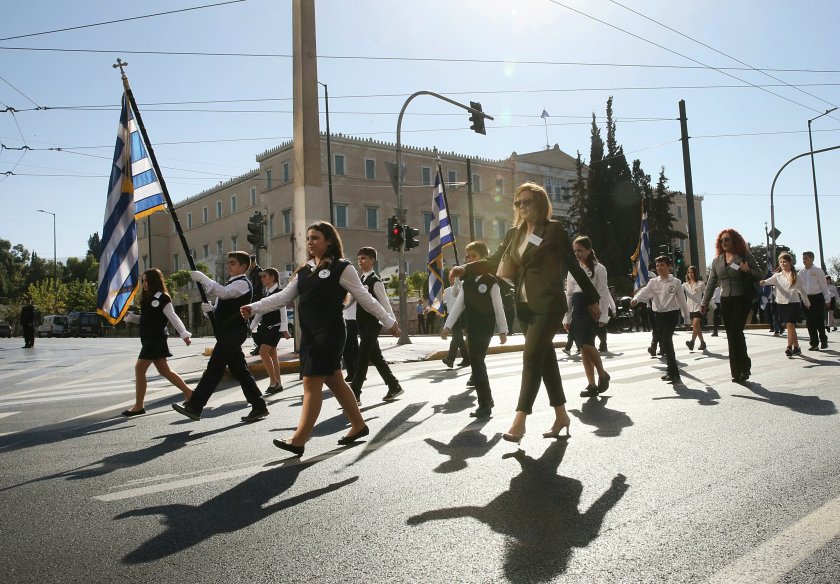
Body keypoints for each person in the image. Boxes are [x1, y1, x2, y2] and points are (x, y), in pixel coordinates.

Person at [450, 182, 600, 443]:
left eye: (526, 202)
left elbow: (573, 266)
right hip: (525, 308)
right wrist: (466, 269)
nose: (521, 207)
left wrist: (592, 298)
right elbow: (495, 260)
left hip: (548, 305)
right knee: (546, 362)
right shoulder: (514, 233)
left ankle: (519, 421)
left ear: (540, 203)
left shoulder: (554, 230)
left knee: (530, 359)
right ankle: (561, 415)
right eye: (518, 203)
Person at [241, 222, 401, 457]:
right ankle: (358, 425)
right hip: (310, 334)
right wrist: (254, 307)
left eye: (315, 238)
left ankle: (299, 439)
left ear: (329, 240)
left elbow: (365, 298)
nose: (310, 242)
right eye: (308, 238)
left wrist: (389, 322)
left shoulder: (342, 268)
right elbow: (283, 297)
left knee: (311, 383)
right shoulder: (304, 270)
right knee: (336, 381)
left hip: (330, 334)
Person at [172, 251, 269, 423]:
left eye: (232, 263)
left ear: (243, 267)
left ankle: (195, 406)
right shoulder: (232, 284)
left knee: (215, 367)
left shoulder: (243, 284)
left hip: (234, 332)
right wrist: (211, 311)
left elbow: (224, 293)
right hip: (228, 332)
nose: (229, 266)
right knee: (240, 370)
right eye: (229, 263)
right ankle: (259, 405)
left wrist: (203, 278)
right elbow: (222, 307)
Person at [442, 241, 508, 418]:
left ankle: (485, 404)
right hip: (471, 328)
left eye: (474, 257)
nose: (469, 260)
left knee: (477, 362)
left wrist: (503, 330)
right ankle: (487, 400)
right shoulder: (467, 282)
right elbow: (458, 305)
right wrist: (447, 326)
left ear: (483, 259)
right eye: (467, 256)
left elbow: (498, 306)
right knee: (477, 362)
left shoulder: (490, 281)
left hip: (485, 327)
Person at [122, 268, 193, 416]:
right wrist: (132, 317)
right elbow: (146, 319)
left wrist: (184, 334)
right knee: (164, 371)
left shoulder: (162, 298)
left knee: (139, 369)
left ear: (154, 281)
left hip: (156, 338)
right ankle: (189, 393)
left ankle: (139, 406)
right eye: (143, 281)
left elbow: (173, 317)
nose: (144, 284)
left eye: (147, 281)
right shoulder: (147, 298)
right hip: (148, 337)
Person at [700, 229, 762, 383]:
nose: (724, 243)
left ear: (734, 240)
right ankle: (736, 371)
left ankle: (745, 367)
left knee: (736, 331)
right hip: (726, 300)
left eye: (727, 240)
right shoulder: (717, 261)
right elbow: (711, 283)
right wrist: (704, 302)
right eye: (721, 241)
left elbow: (760, 274)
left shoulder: (743, 256)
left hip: (742, 298)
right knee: (730, 335)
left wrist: (747, 270)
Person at [348, 247, 404, 405]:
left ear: (373, 261)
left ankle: (355, 394)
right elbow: (350, 301)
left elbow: (385, 303)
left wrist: (393, 324)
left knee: (362, 358)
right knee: (376, 358)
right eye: (359, 258)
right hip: (362, 324)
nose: (361, 261)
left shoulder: (375, 280)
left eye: (364, 258)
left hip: (372, 325)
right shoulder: (361, 279)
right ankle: (394, 386)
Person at [562, 236, 611, 398]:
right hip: (577, 308)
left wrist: (604, 315)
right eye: (575, 251)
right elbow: (569, 294)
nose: (577, 254)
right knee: (583, 349)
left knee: (587, 344)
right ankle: (591, 384)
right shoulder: (573, 269)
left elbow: (604, 292)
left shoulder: (599, 269)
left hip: (591, 308)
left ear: (589, 251)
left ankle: (602, 373)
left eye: (580, 250)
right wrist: (567, 317)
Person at [631, 255, 689, 383]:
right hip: (658, 316)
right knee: (664, 342)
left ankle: (674, 373)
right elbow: (645, 292)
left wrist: (687, 319)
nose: (659, 268)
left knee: (667, 341)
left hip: (671, 314)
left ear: (669, 267)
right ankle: (671, 371)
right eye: (657, 265)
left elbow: (682, 301)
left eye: (662, 265)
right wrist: (636, 299)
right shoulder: (653, 282)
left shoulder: (676, 282)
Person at [249, 267, 291, 395]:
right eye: (261, 276)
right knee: (272, 355)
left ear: (273, 277)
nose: (262, 279)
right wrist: (251, 327)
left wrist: (285, 330)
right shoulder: (265, 293)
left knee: (263, 352)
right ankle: (278, 382)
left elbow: (283, 312)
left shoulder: (280, 292)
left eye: (264, 276)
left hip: (275, 327)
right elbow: (261, 311)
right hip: (266, 328)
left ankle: (273, 382)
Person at [760, 252, 809, 356]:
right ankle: (796, 347)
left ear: (790, 262)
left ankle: (789, 347)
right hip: (781, 304)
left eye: (785, 262)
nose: (782, 264)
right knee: (790, 326)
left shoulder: (796, 275)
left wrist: (806, 302)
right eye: (781, 262)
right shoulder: (777, 276)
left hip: (793, 303)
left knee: (790, 324)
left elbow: (803, 291)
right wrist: (762, 282)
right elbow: (767, 281)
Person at [798, 251, 830, 350]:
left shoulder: (818, 271)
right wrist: (805, 300)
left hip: (817, 298)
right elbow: (800, 288)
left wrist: (827, 299)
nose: (804, 260)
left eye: (806, 258)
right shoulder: (801, 272)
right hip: (806, 298)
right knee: (810, 322)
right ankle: (814, 343)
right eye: (803, 258)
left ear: (812, 258)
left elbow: (824, 286)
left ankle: (823, 340)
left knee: (819, 320)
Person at [441, 279, 470, 368]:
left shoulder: (462, 286)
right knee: (459, 339)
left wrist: (458, 281)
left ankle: (450, 359)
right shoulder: (447, 290)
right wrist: (428, 308)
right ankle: (466, 359)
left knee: (456, 337)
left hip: (460, 316)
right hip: (451, 316)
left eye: (454, 277)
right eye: (450, 278)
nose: (451, 280)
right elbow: (438, 301)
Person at [682, 265, 707, 351]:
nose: (690, 274)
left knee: (695, 325)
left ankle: (692, 342)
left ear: (695, 273)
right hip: (689, 308)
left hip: (698, 308)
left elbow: (707, 294)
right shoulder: (685, 285)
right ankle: (702, 343)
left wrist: (706, 305)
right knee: (697, 327)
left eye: (692, 272)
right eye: (689, 272)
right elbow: (678, 293)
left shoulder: (700, 284)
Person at [247, 255, 264, 356]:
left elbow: (258, 287)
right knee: (253, 324)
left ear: (253, 262)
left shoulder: (257, 272)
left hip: (256, 302)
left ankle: (260, 346)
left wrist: (251, 296)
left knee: (254, 324)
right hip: (255, 301)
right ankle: (259, 345)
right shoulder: (254, 272)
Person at [342, 294, 359, 382]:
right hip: (349, 318)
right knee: (354, 347)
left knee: (347, 347)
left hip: (351, 319)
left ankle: (352, 373)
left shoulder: (351, 283)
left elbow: (351, 300)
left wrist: (340, 307)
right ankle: (357, 373)